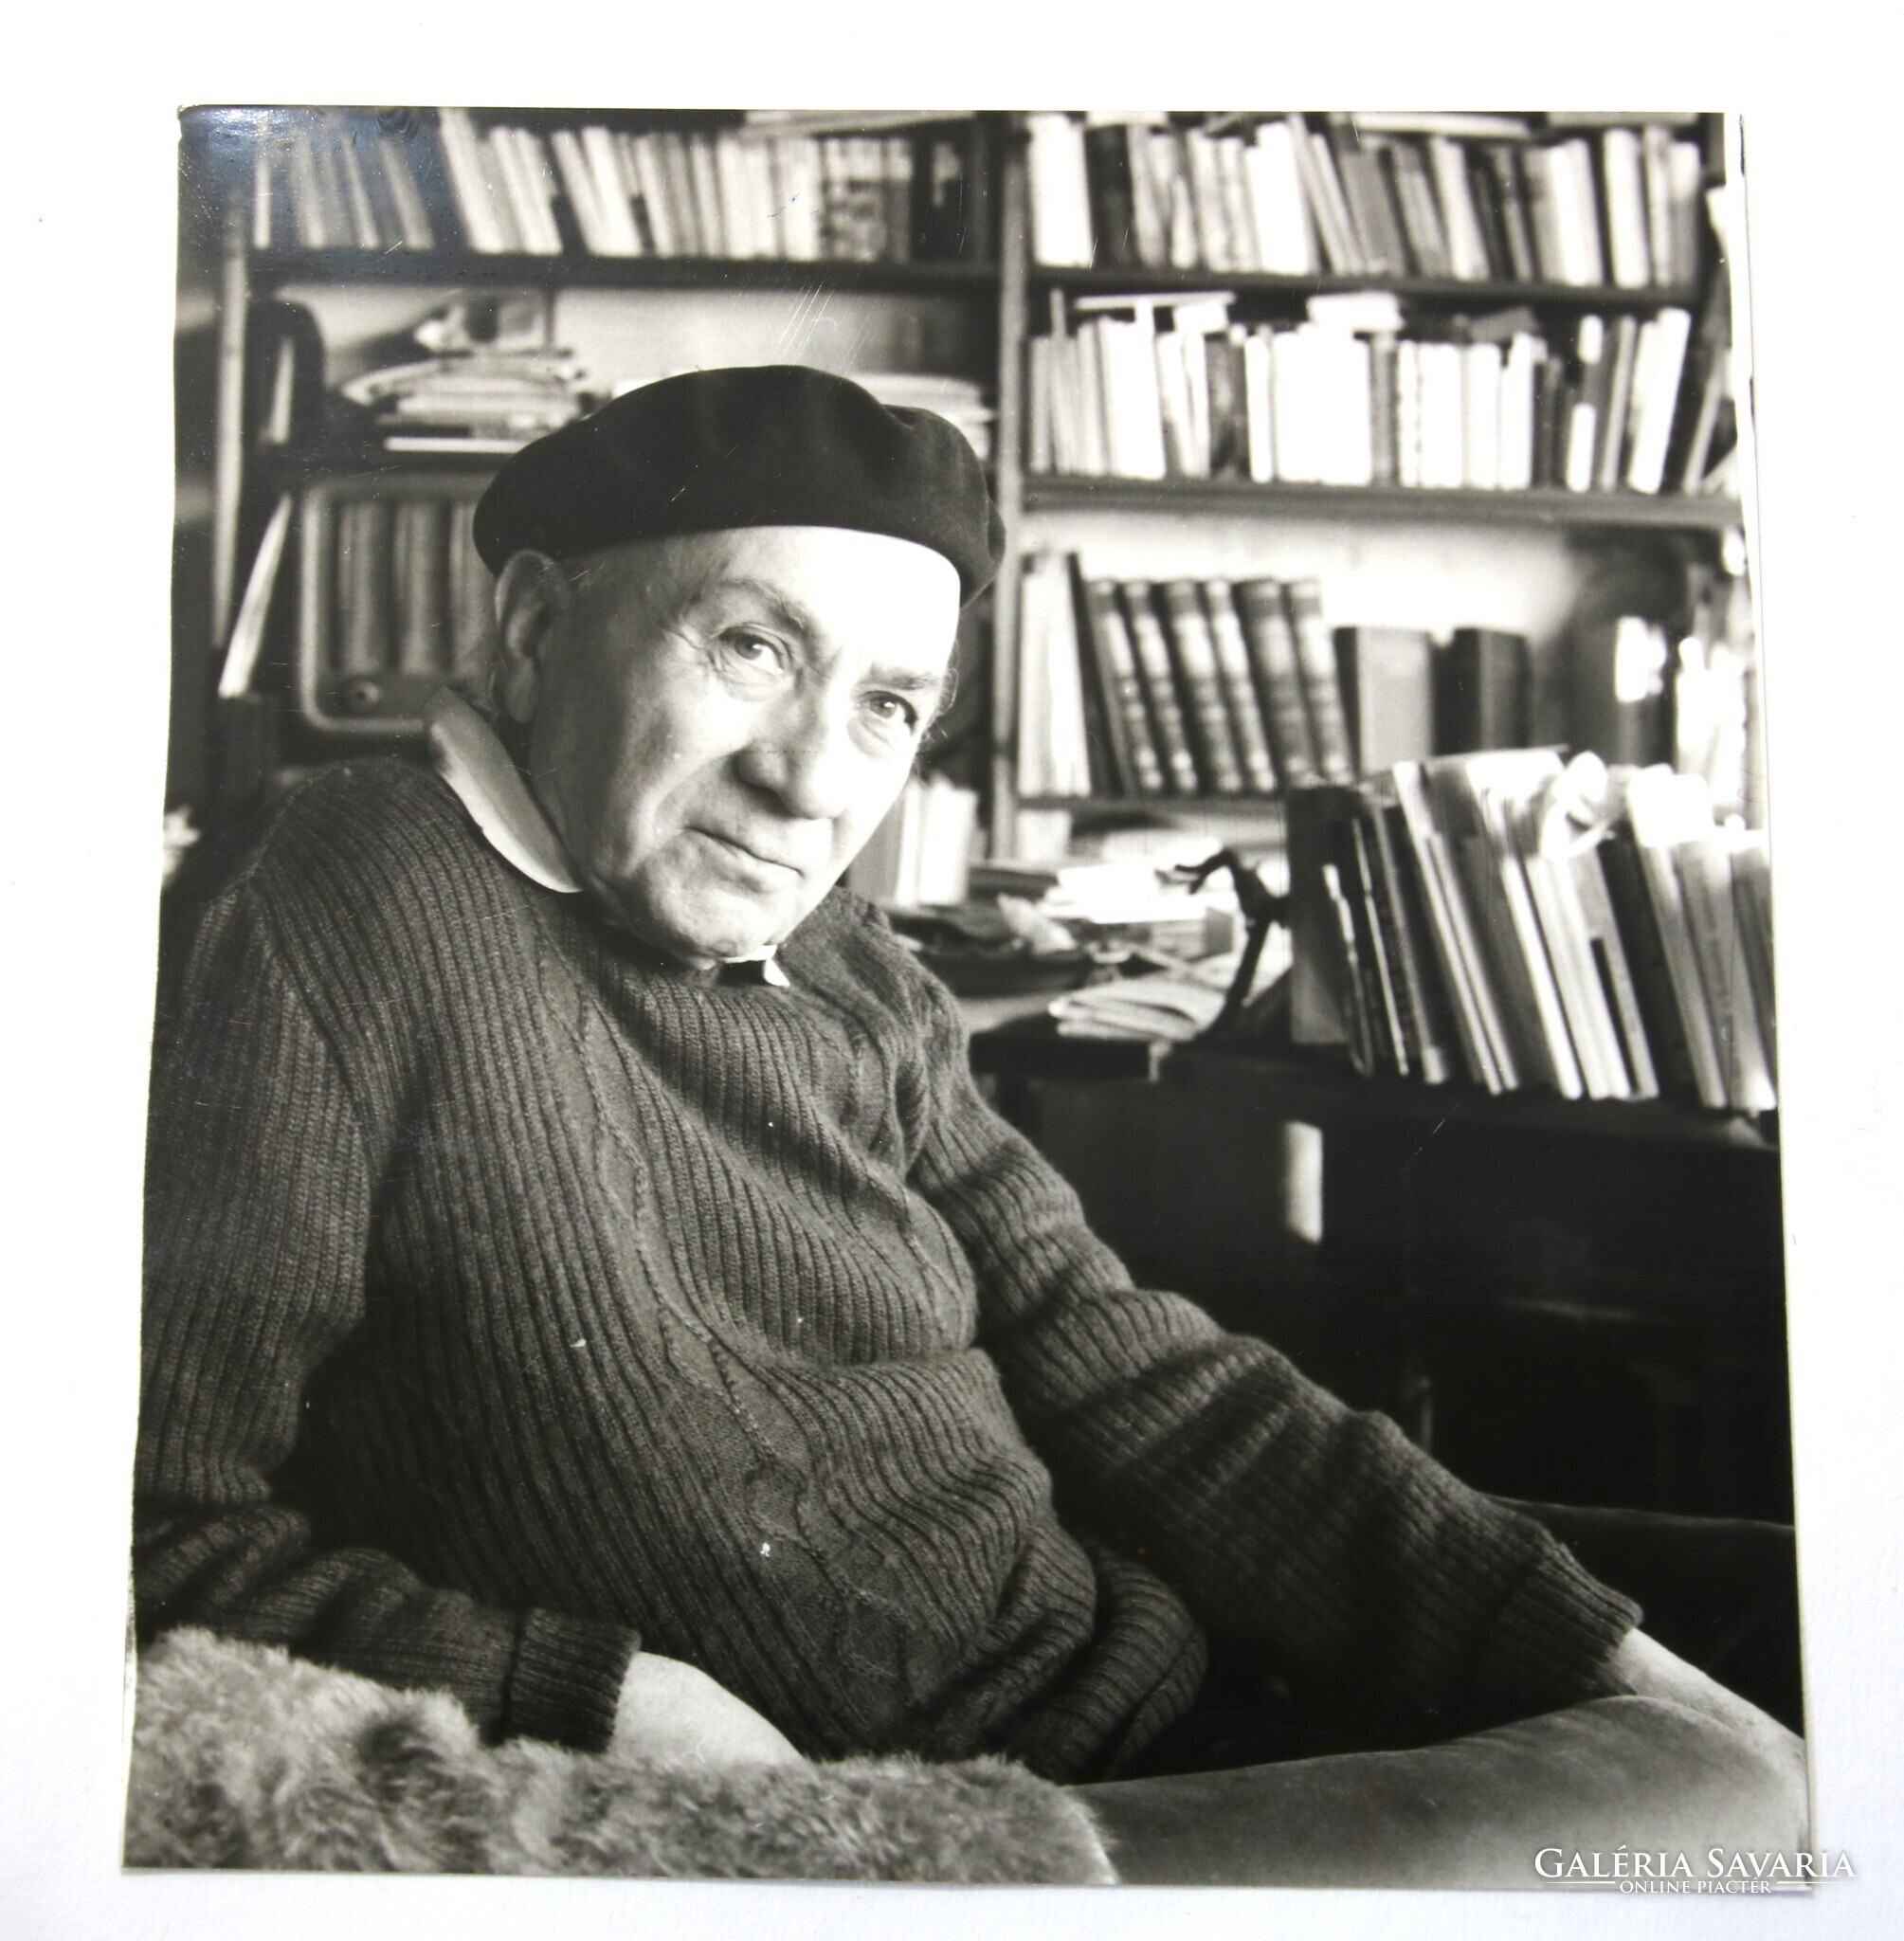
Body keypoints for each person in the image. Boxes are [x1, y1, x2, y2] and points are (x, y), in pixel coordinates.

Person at [138, 365, 1804, 1885]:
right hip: (995, 1838)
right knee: (1744, 1807)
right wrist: (592, 1696)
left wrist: (1589, 1656)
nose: (812, 784)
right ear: (530, 630)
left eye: (886, 707)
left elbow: (1132, 1371)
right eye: (753, 649)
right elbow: (141, 1530)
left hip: (1185, 1687)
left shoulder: (855, 964)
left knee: (1801, 1631)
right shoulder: (342, 898)